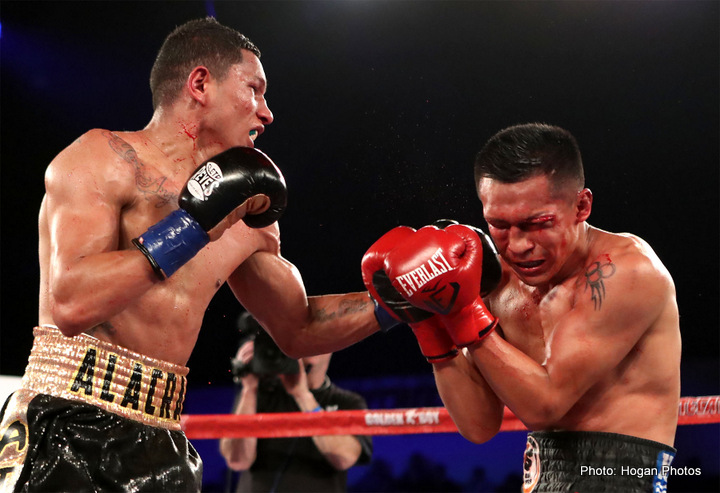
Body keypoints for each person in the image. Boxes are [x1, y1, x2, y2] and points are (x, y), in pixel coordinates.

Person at [0, 17, 382, 492]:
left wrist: (394, 301)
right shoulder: (103, 159)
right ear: (200, 83)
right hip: (67, 419)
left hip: (162, 438)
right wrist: (195, 226)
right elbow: (73, 303)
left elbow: (300, 328)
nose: (267, 113)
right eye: (254, 89)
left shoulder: (247, 218)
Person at [362, 123, 681, 492]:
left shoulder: (627, 272)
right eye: (499, 225)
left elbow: (545, 406)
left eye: (537, 224)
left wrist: (463, 310)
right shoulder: (499, 281)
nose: (517, 245)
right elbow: (478, 426)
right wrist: (428, 321)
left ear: (581, 206)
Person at [220, 315, 372, 493]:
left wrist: (303, 396)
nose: (305, 348)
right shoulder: (259, 395)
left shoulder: (347, 401)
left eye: (312, 340)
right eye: (300, 341)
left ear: (330, 346)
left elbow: (344, 458)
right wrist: (249, 389)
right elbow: (237, 460)